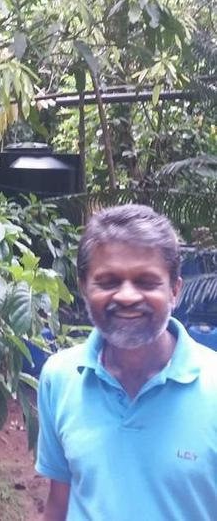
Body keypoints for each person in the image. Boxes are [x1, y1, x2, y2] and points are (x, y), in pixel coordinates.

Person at [35, 204, 217, 521]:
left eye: (147, 281)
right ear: (84, 288)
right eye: (108, 281)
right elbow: (59, 502)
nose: (128, 296)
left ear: (175, 290)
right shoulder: (59, 377)